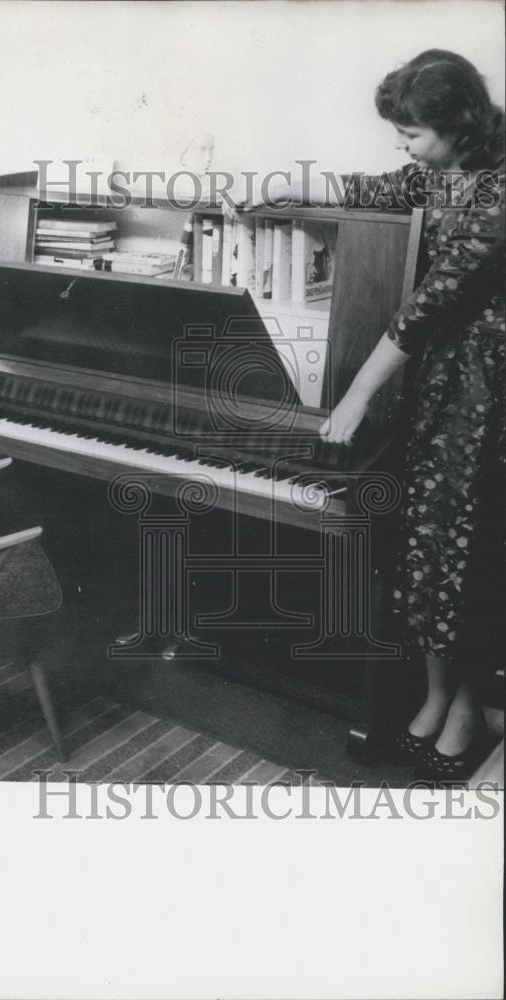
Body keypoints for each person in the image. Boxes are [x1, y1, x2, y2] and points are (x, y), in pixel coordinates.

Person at [238, 50, 504, 782]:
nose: (403, 146)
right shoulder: (440, 167)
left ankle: (466, 705)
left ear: (459, 124)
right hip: (435, 385)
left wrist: (355, 394)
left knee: (469, 550)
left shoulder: (501, 188)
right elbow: (373, 188)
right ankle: (438, 694)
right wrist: (287, 189)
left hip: (486, 394)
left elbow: (427, 309)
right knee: (424, 545)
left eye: (412, 133)